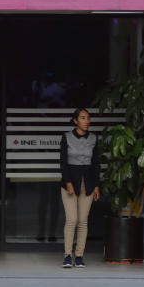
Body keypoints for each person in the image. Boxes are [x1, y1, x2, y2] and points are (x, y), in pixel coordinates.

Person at [59, 108, 101, 269]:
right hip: (70, 183)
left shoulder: (93, 138)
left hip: (88, 184)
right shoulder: (67, 137)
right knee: (72, 219)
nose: (87, 121)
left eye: (88, 118)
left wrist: (97, 185)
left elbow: (96, 164)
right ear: (75, 121)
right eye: (83, 118)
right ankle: (67, 255)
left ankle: (79, 256)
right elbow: (63, 162)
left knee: (83, 221)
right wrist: (68, 182)